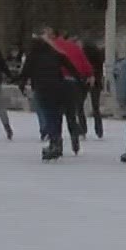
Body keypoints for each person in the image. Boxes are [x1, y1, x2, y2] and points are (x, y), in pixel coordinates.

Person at [17, 29, 81, 161]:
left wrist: (22, 85)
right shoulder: (55, 54)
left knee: (49, 115)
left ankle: (55, 142)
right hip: (59, 86)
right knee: (56, 115)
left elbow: (25, 73)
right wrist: (78, 79)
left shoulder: (32, 56)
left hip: (42, 89)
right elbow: (69, 65)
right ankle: (56, 141)